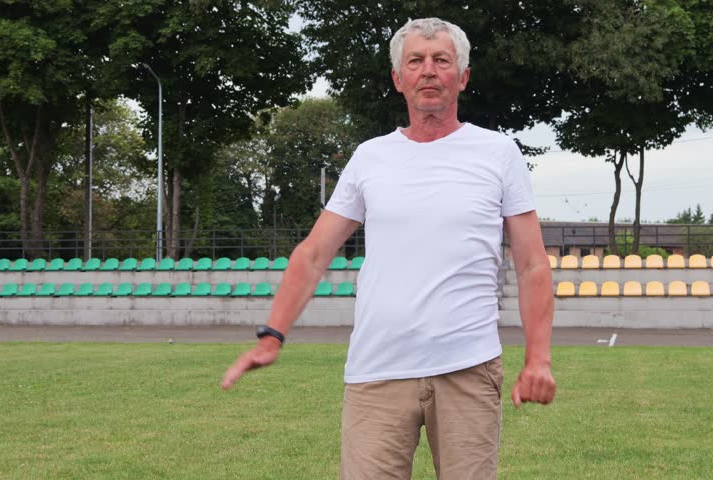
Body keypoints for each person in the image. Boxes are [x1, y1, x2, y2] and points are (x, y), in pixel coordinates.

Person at [222, 17, 556, 479]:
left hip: (468, 370)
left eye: (441, 60)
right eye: (415, 61)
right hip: (376, 372)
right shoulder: (370, 157)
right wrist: (272, 335)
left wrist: (538, 358)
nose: (428, 70)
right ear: (398, 79)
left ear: (463, 76)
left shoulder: (498, 154)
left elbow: (533, 263)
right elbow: (314, 254)